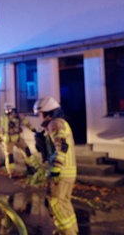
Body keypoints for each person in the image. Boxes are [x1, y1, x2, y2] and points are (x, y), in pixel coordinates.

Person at [33, 96, 78, 235]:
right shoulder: (59, 123)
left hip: (61, 173)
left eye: (40, 114)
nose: (39, 117)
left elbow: (61, 146)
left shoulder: (55, 124)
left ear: (47, 113)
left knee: (55, 203)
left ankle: (67, 232)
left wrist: (56, 169)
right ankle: (71, 230)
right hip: (68, 172)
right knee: (64, 203)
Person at [0, 103, 40, 178]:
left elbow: (25, 122)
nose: (8, 111)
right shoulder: (2, 117)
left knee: (27, 151)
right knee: (9, 157)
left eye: (9, 109)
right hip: (7, 140)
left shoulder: (17, 115)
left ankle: (30, 167)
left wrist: (33, 129)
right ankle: (11, 173)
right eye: (6, 109)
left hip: (17, 137)